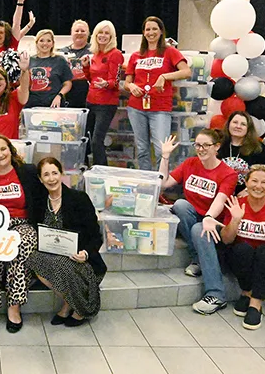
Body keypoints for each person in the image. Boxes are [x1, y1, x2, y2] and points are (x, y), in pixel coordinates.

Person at [160, 129, 238, 315]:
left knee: (198, 228)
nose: (201, 149)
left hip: (217, 224)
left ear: (217, 147)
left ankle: (216, 294)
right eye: (197, 145)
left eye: (206, 145)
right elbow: (163, 183)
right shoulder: (190, 163)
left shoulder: (228, 173)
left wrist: (209, 218)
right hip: (195, 217)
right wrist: (165, 157)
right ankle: (197, 258)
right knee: (180, 205)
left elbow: (220, 199)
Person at [0, 135, 44, 334]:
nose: (0, 154)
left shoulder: (27, 171)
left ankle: (14, 306)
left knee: (24, 245)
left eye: (3, 149)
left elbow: (46, 191)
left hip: (20, 223)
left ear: (10, 150)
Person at [27, 157, 105, 326]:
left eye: (54, 173)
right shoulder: (39, 202)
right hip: (51, 254)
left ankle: (77, 309)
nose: (51, 178)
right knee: (34, 259)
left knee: (64, 265)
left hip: (79, 256)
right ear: (40, 179)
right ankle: (74, 304)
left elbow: (95, 235)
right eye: (46, 175)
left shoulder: (79, 198)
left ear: (61, 174)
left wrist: (85, 253)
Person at [221, 165, 265, 330]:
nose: (258, 186)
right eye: (254, 181)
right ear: (246, 183)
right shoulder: (236, 205)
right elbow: (226, 240)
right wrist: (235, 220)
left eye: (263, 182)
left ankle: (255, 303)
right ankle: (246, 291)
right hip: (241, 260)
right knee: (242, 248)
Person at [124, 16, 190, 170]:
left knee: (161, 150)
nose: (151, 32)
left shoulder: (170, 52)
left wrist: (164, 76)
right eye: (147, 29)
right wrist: (132, 86)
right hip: (136, 107)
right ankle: (147, 182)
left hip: (160, 108)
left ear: (161, 32)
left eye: (154, 29)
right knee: (142, 149)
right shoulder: (136, 55)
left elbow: (186, 72)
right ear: (143, 33)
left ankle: (161, 183)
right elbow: (127, 82)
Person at [82, 20, 124, 166]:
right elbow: (91, 79)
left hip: (106, 104)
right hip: (91, 101)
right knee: (87, 139)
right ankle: (87, 168)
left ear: (112, 36)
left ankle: (101, 171)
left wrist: (106, 84)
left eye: (107, 33)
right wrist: (85, 67)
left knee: (96, 141)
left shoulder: (115, 54)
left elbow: (115, 82)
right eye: (100, 32)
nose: (103, 36)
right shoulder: (95, 54)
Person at [218, 111, 265, 194]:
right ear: (228, 125)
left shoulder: (258, 148)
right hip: (218, 191)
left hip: (248, 195)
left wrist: (248, 191)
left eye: (243, 124)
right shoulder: (217, 144)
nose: (238, 126)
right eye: (235, 122)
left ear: (248, 128)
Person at [25, 29, 73, 109]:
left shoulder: (60, 60)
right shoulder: (29, 61)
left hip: (53, 105)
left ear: (53, 43)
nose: (45, 44)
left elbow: (68, 83)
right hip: (32, 106)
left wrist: (59, 96)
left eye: (48, 41)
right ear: (36, 43)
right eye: (41, 40)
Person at [59, 19, 91, 109]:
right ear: (71, 33)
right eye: (76, 31)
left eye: (83, 31)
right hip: (68, 96)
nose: (79, 33)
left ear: (88, 34)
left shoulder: (94, 51)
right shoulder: (62, 53)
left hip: (88, 96)